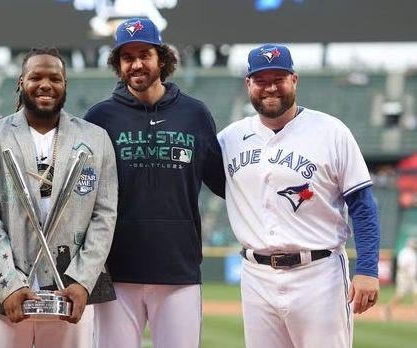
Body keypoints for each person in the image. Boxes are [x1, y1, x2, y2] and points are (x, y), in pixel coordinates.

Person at [217, 44, 381, 347]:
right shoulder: (229, 139)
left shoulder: (331, 132)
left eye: (278, 78)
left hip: (319, 274)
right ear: (248, 84)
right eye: (261, 80)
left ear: (294, 79)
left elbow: (363, 205)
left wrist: (368, 269)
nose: (270, 88)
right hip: (256, 275)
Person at [0, 46, 118, 348]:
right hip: (2, 289)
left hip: (70, 292)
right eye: (36, 77)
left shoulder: (96, 139)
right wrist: (9, 283)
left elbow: (105, 215)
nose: (45, 84)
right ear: (21, 82)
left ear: (65, 85)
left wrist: (82, 280)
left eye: (55, 78)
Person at [84, 18, 225, 348]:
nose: (136, 64)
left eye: (144, 54)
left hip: (178, 270)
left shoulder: (195, 114)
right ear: (118, 65)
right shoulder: (99, 118)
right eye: (127, 57)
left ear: (161, 58)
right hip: (116, 272)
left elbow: (225, 183)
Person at [384, 238, 417, 320]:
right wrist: (408, 276)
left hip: (411, 278)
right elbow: (402, 266)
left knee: (415, 294)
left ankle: (415, 315)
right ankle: (387, 309)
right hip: (404, 277)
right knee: (400, 296)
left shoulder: (412, 253)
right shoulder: (405, 252)